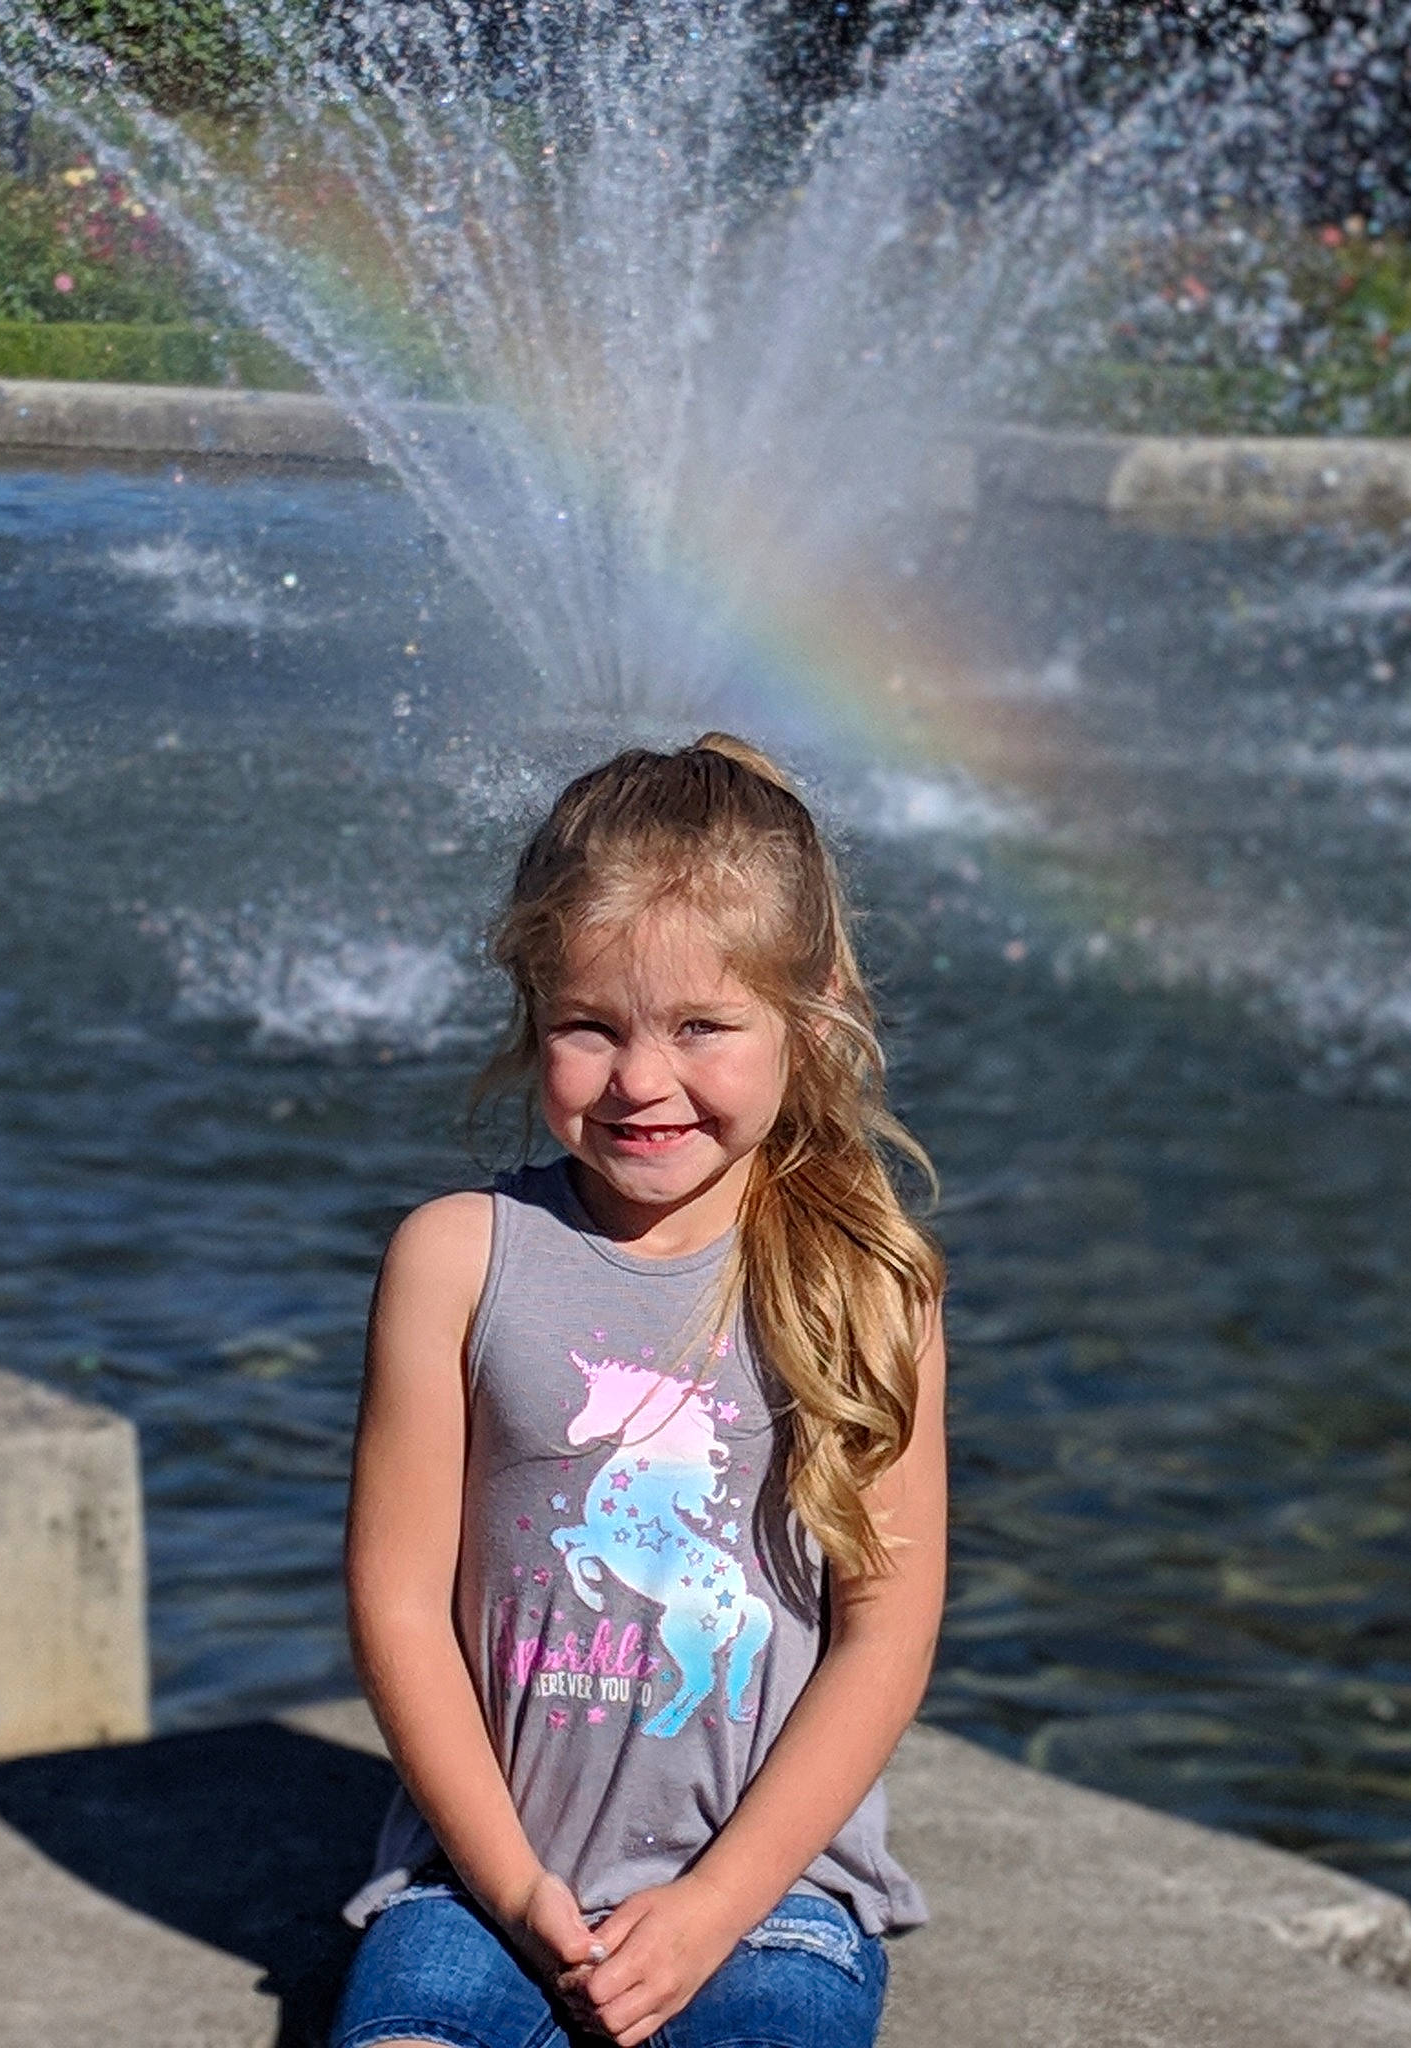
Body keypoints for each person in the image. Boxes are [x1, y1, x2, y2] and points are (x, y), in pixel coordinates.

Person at [329, 733, 947, 2048]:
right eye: (589, 1027)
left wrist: (720, 1903)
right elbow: (393, 1599)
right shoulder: (455, 1258)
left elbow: (883, 1638)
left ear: (811, 1013)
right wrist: (507, 1883)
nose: (640, 1080)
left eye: (703, 1027)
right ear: (531, 1010)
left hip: (769, 1900)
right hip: (482, 1886)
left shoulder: (860, 1285)